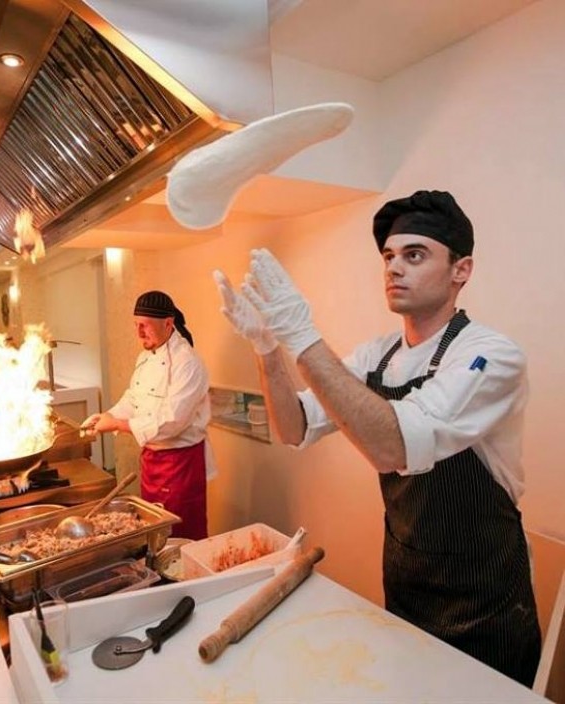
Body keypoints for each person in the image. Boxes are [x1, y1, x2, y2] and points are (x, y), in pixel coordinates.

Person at [214, 190, 541, 686]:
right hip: (407, 576)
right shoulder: (377, 356)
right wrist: (268, 348)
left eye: (415, 255)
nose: (394, 268)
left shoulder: (491, 355)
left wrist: (302, 334)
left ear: (461, 270)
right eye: (389, 257)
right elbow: (293, 426)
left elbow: (395, 447)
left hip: (484, 596)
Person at [82, 291, 214, 539]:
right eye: (136, 325)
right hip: (152, 462)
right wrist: (106, 416)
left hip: (180, 465)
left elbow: (172, 421)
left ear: (168, 324)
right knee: (154, 530)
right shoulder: (145, 357)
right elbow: (134, 398)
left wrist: (118, 424)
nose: (139, 333)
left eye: (145, 325)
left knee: (181, 534)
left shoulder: (188, 363)